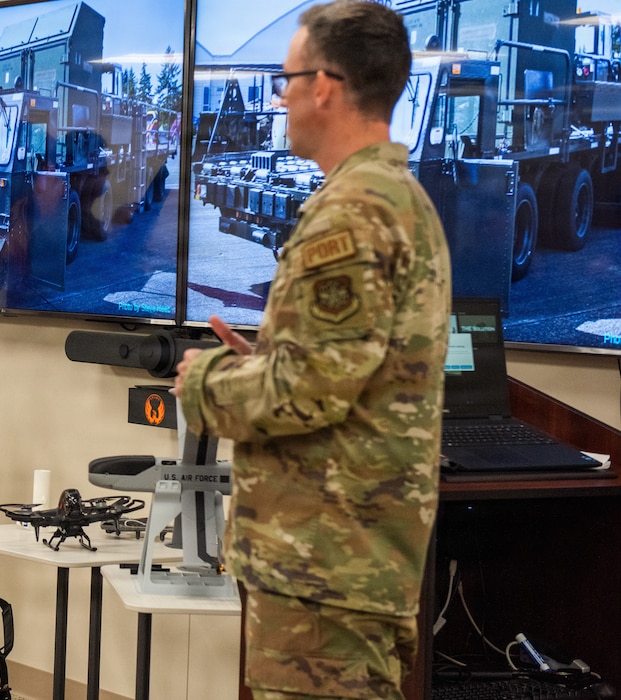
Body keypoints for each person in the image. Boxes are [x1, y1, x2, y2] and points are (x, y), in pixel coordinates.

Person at [173, 2, 451, 698]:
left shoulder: (354, 211)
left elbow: (308, 390)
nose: (281, 95)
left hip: (326, 565)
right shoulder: (390, 197)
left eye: (285, 78)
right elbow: (342, 366)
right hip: (337, 559)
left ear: (323, 85)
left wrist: (203, 382)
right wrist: (263, 359)